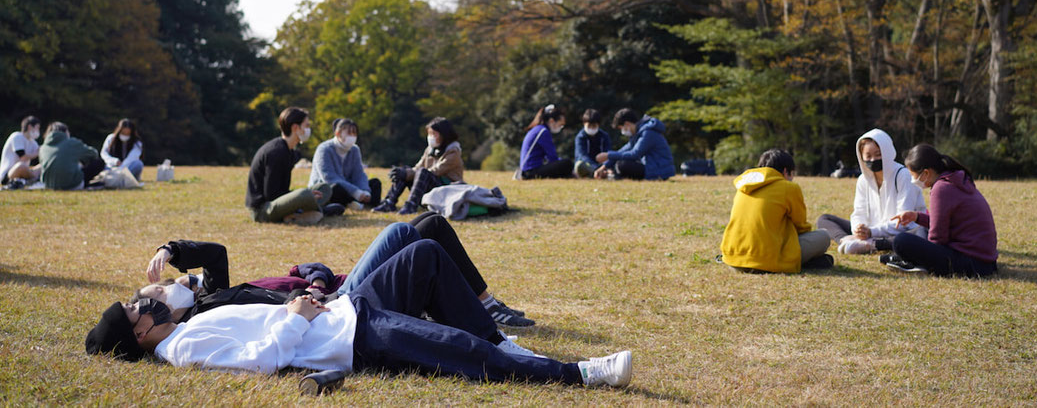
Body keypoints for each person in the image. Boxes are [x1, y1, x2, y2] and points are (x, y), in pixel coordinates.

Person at [86, 241, 633, 389]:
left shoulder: (184, 324)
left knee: (422, 253)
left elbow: (215, 261)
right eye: (134, 308)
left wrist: (309, 301)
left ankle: (504, 343)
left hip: (345, 309)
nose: (140, 300)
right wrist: (296, 317)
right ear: (140, 333)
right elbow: (257, 363)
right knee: (457, 351)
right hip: (350, 336)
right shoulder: (182, 348)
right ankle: (578, 373)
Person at [134, 211, 534, 328]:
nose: (169, 285)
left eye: (163, 285)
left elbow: (216, 254)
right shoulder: (201, 319)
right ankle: (482, 309)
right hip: (339, 305)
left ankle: (485, 303)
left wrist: (171, 249)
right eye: (161, 293)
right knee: (404, 232)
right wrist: (310, 293)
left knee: (429, 225)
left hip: (332, 291)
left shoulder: (210, 297)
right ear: (161, 315)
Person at [885, 144, 998, 277]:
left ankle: (911, 261)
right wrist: (916, 217)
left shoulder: (941, 189)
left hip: (973, 264)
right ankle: (904, 258)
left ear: (926, 173)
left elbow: (938, 239)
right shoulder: (954, 179)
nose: (913, 180)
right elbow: (942, 223)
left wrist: (921, 253)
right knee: (921, 230)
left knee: (901, 241)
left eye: (913, 175)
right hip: (986, 263)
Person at [719, 149, 833, 273]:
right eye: (792, 174)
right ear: (785, 171)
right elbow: (801, 227)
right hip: (766, 261)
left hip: (733, 260)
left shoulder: (743, 186)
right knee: (824, 236)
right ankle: (804, 261)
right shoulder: (789, 187)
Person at [816, 129, 927, 254]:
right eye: (868, 156)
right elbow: (859, 212)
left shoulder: (903, 175)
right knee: (824, 219)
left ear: (887, 152)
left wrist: (871, 232)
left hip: (901, 231)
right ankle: (846, 240)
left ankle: (871, 244)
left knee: (908, 237)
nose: (873, 159)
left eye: (878, 154)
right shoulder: (863, 180)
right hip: (871, 231)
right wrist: (859, 229)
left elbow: (902, 222)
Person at [246, 107, 339, 225]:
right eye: (306, 125)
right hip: (264, 210)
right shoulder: (276, 152)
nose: (308, 129)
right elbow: (271, 194)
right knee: (304, 194)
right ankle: (311, 212)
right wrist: (303, 197)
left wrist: (304, 196)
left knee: (324, 188)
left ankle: (305, 212)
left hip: (276, 202)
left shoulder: (288, 150)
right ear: (295, 127)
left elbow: (282, 191)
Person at [374, 117, 464, 215]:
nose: (430, 137)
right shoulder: (430, 150)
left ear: (444, 134)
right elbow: (417, 167)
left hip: (447, 190)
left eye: (434, 134)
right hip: (430, 187)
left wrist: (407, 173)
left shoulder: (453, 152)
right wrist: (403, 172)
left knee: (420, 172)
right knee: (405, 170)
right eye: (429, 134)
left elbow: (435, 171)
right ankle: (389, 202)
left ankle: (411, 205)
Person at [309, 118, 381, 213]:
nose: (352, 136)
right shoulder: (324, 149)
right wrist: (356, 192)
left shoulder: (355, 150)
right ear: (338, 133)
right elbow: (329, 177)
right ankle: (352, 202)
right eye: (349, 133)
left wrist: (365, 191)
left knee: (375, 183)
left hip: (349, 187)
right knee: (335, 188)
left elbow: (358, 174)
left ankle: (361, 201)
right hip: (326, 188)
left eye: (354, 133)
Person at [593, 109, 675, 181]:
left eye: (621, 128)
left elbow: (635, 154)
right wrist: (603, 166)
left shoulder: (648, 133)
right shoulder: (637, 134)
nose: (622, 131)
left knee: (622, 164)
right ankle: (610, 174)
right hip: (651, 167)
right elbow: (621, 152)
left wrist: (608, 155)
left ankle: (613, 175)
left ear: (627, 124)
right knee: (619, 161)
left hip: (658, 170)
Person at [39, 122, 107, 190]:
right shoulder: (72, 143)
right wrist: (83, 161)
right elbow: (94, 153)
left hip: (48, 185)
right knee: (99, 162)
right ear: (65, 132)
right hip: (72, 185)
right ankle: (84, 184)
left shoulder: (43, 148)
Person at [514, 104, 572, 179]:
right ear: (551, 121)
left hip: (528, 170)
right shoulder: (543, 132)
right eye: (560, 124)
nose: (561, 127)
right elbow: (552, 157)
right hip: (531, 171)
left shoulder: (538, 129)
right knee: (567, 163)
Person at [1, 115, 42, 185]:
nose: (38, 131)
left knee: (43, 166)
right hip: (8, 174)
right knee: (21, 166)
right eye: (37, 128)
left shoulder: (33, 142)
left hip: (24, 172)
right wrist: (37, 152)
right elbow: (23, 157)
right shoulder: (17, 136)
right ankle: (35, 178)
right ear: (30, 127)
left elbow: (41, 152)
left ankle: (33, 178)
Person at [573, 108, 611, 179]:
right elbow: (582, 156)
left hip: (602, 165)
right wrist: (596, 167)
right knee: (579, 165)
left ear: (598, 125)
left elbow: (607, 153)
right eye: (589, 126)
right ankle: (600, 174)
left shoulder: (604, 136)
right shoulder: (580, 137)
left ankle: (601, 173)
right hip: (587, 165)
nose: (591, 128)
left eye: (594, 126)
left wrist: (604, 166)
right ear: (584, 124)